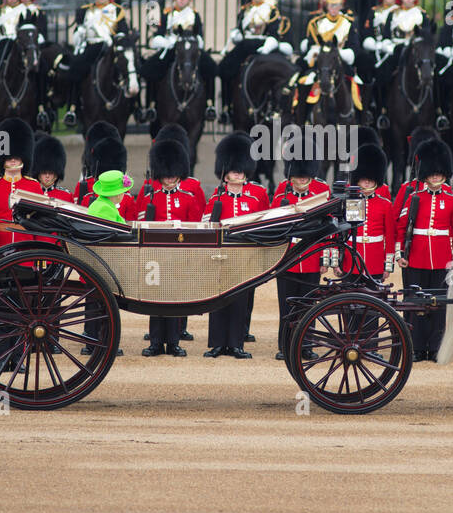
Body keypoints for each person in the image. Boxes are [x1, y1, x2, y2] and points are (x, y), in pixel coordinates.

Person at [396, 138, 453, 363]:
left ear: (445, 174)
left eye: (438, 173)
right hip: (416, 256)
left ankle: (435, 347)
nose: (435, 177)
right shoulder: (415, 197)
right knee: (416, 303)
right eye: (431, 173)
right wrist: (400, 254)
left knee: (438, 304)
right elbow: (401, 227)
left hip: (442, 258)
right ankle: (416, 346)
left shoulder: (452, 200)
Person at [137, 139, 202, 359]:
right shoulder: (149, 198)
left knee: (174, 301)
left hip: (177, 256)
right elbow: (140, 227)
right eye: (165, 175)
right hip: (156, 256)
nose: (169, 179)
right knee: (155, 299)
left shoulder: (188, 199)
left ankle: (173, 342)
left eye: (172, 174)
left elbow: (194, 229)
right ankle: (155, 341)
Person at [204, 133, 265, 357]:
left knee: (240, 301)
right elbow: (207, 226)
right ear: (225, 172)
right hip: (222, 256)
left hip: (245, 256)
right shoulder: (216, 198)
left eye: (240, 169)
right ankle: (218, 343)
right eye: (232, 169)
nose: (237, 172)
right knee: (219, 299)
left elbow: (264, 224)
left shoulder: (256, 196)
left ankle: (236, 343)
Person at [217, 0, 293, 124]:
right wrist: (236, 34)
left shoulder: (271, 10)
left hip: (264, 46)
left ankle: (279, 108)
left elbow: (273, 33)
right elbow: (239, 29)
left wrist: (266, 48)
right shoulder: (245, 10)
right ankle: (227, 107)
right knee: (224, 67)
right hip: (245, 46)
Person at [141, 0, 217, 121]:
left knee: (211, 68)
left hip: (190, 49)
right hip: (171, 49)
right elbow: (158, 37)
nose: (182, 1)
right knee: (150, 69)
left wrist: (196, 43)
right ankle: (151, 105)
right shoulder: (167, 15)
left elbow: (200, 36)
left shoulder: (194, 15)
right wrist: (167, 42)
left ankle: (210, 104)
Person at [272, 158, 330, 361]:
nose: (301, 179)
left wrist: (324, 258)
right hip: (288, 258)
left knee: (309, 305)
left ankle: (306, 345)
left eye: (304, 175)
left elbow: (327, 228)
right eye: (297, 176)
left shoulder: (321, 191)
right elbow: (273, 226)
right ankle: (285, 345)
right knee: (286, 306)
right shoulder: (282, 191)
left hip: (311, 257)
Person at [63, 0, 134, 126]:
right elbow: (77, 32)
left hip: (112, 49)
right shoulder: (85, 11)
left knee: (130, 67)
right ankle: (72, 107)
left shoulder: (117, 11)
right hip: (92, 48)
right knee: (76, 68)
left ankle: (135, 106)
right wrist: (79, 32)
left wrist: (116, 40)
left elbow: (123, 31)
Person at [286, 0, 359, 111]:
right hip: (321, 62)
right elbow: (312, 43)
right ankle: (301, 116)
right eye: (331, 5)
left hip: (341, 62)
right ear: (326, 4)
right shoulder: (316, 22)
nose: (333, 8)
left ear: (341, 5)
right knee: (304, 81)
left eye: (336, 5)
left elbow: (353, 46)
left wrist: (343, 53)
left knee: (357, 82)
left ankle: (362, 115)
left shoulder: (348, 23)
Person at [0, 118, 41, 251]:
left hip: (26, 249)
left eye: (17, 157)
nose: (13, 160)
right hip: (0, 248)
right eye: (8, 157)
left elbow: (40, 222)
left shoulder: (34, 186)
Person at [342, 143, 396, 280]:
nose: (366, 182)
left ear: (376, 180)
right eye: (363, 179)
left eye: (370, 179)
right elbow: (340, 233)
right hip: (351, 261)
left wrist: (388, 265)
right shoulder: (348, 202)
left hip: (375, 262)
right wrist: (337, 261)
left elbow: (389, 237)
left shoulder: (385, 204)